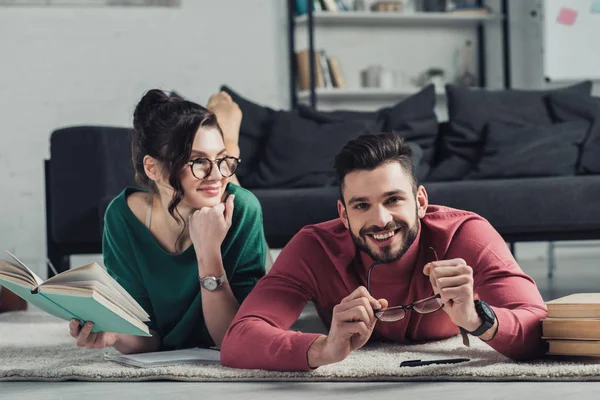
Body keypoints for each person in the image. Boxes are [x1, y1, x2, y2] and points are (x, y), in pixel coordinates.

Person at [221, 133, 548, 371]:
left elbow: (541, 326)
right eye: (361, 205)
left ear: (421, 202)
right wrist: (322, 349)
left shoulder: (467, 234)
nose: (380, 220)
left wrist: (478, 318)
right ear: (343, 213)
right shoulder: (312, 247)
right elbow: (239, 339)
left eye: (393, 200)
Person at [68, 89, 267, 353]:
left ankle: (229, 142)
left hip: (258, 278)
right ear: (153, 168)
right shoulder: (122, 217)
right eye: (197, 160)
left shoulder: (242, 209)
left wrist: (209, 254)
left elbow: (235, 339)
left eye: (222, 159)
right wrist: (115, 333)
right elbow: (148, 338)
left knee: (226, 185)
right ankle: (224, 142)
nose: (216, 175)